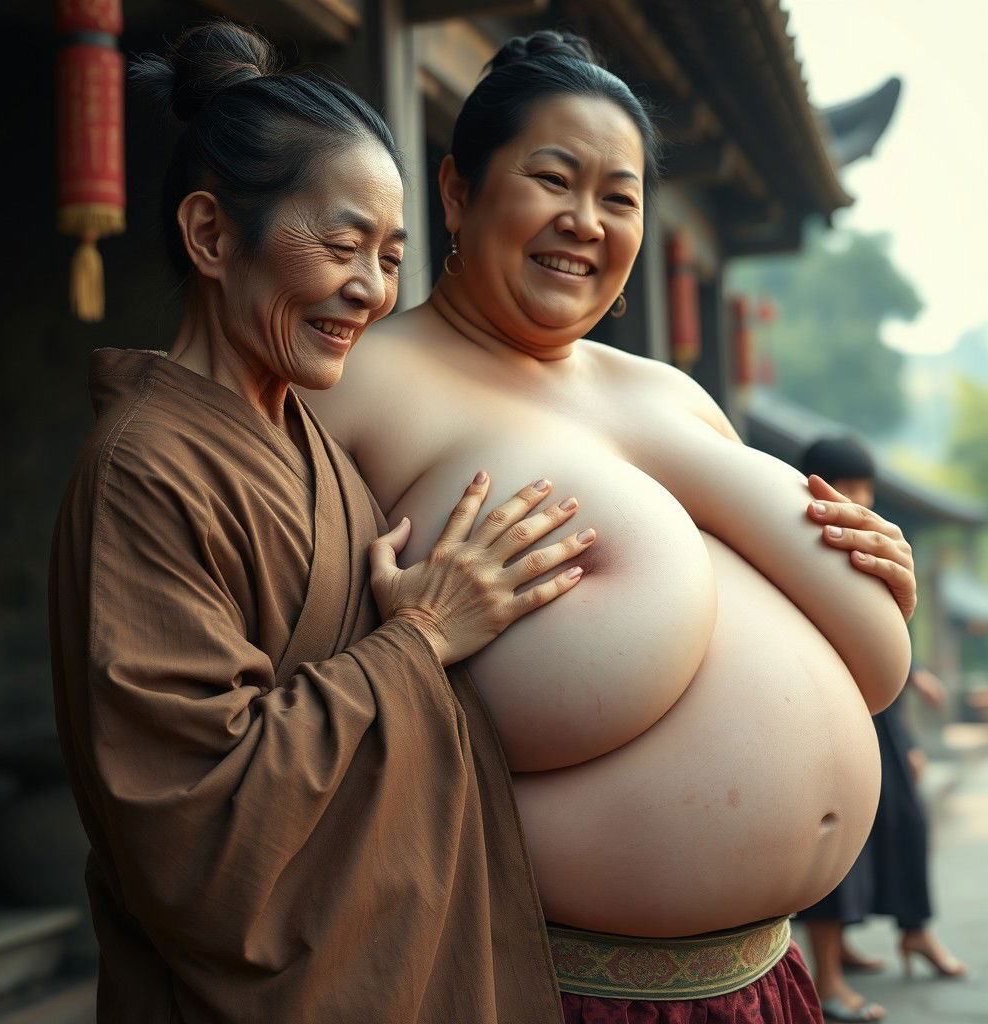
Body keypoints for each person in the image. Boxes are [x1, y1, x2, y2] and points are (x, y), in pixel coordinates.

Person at [304, 31, 919, 1024]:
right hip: (550, 989)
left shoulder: (674, 392)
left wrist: (878, 577)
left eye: (619, 196)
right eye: (553, 178)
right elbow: (276, 676)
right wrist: (406, 639)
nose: (584, 221)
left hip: (767, 979)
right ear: (457, 193)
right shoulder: (362, 384)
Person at [49, 23, 596, 1023]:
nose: (372, 290)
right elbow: (194, 824)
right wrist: (419, 638)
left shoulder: (300, 429)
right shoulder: (146, 466)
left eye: (389, 256)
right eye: (342, 246)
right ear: (212, 235)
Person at [795, 437, 966, 1024]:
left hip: (882, 711)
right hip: (828, 706)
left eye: (866, 491)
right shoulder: (799, 534)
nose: (859, 500)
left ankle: (914, 933)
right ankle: (829, 978)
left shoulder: (875, 536)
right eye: (850, 487)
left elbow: (884, 621)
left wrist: (912, 695)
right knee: (836, 837)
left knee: (907, 824)